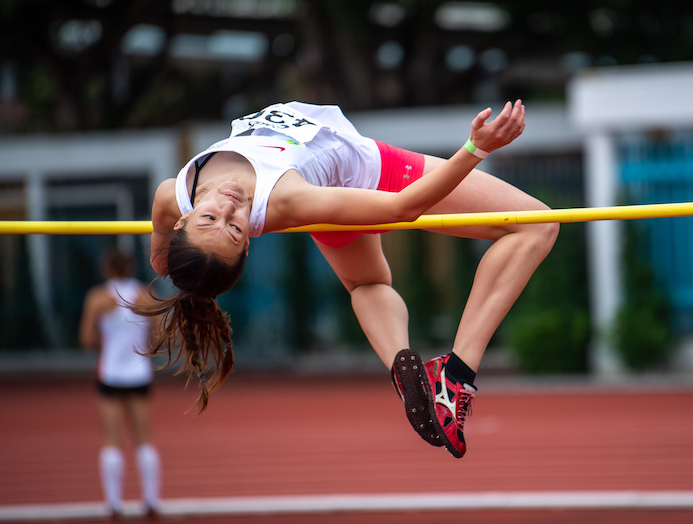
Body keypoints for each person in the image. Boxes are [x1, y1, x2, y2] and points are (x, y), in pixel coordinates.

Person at [134, 99, 558, 459]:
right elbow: (401, 209)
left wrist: (189, 278)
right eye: (235, 228)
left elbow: (159, 263)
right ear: (248, 245)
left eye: (211, 219)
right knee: (537, 224)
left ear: (183, 218)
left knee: (366, 283)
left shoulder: (169, 195)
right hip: (366, 174)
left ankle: (399, 362)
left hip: (326, 187)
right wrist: (474, 149)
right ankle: (456, 374)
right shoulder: (286, 199)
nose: (228, 207)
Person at [79, 249, 162, 518]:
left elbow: (86, 340)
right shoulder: (145, 295)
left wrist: (108, 340)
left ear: (107, 270)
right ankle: (150, 501)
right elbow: (158, 337)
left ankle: (113, 504)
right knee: (144, 440)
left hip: (111, 374)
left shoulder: (98, 298)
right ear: (131, 268)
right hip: (139, 374)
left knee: (112, 441)